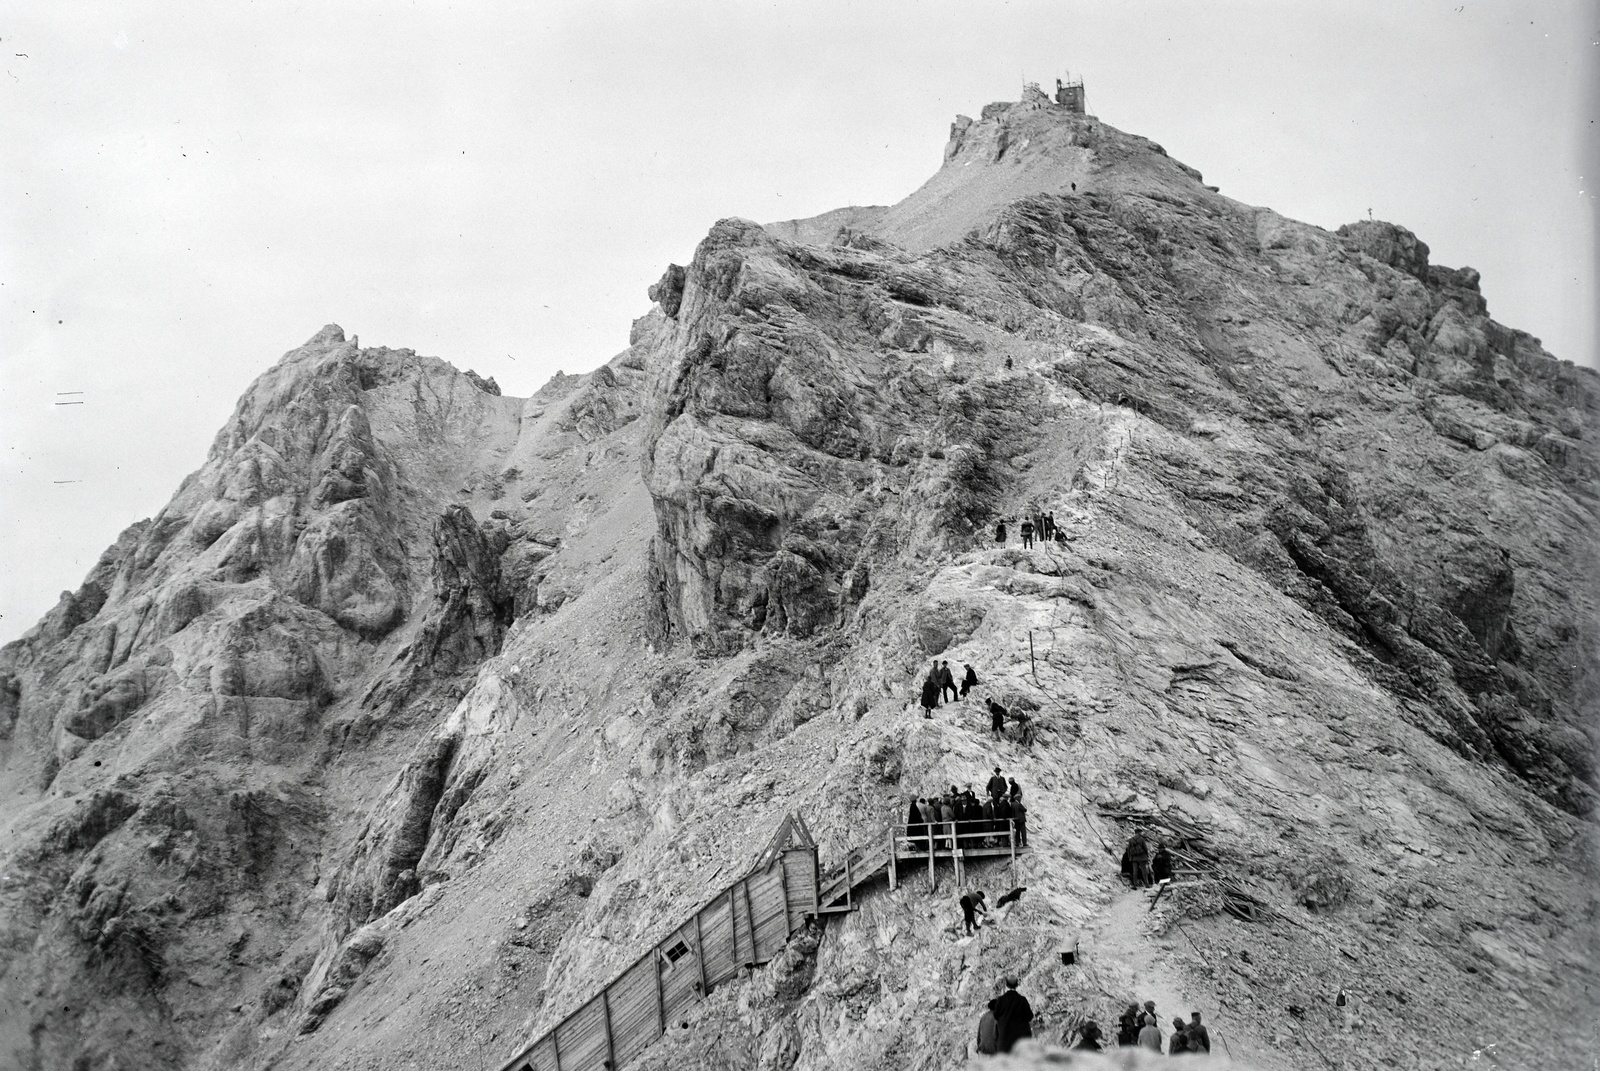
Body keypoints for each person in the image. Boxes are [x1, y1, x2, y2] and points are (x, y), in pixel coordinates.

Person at [988, 975, 1034, 1053]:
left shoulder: (1001, 1000)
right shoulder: (1022, 1000)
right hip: (1021, 1041)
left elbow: (996, 1016)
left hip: (1005, 1040)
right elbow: (1030, 1016)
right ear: (1017, 984)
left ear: (1006, 984)